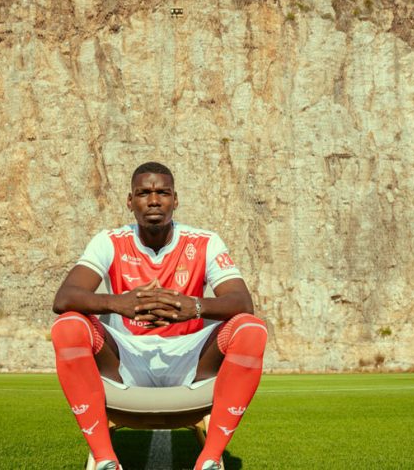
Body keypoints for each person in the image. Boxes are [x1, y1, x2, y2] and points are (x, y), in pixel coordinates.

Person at [51, 161, 267, 470]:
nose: (154, 201)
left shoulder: (205, 242)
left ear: (175, 200)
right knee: (68, 325)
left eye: (163, 193)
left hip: (190, 357)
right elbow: (64, 298)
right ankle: (105, 459)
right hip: (126, 356)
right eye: (144, 193)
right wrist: (118, 303)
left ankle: (209, 459)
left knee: (251, 329)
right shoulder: (109, 241)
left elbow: (242, 302)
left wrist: (193, 307)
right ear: (130, 201)